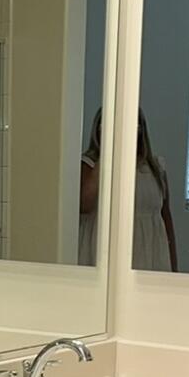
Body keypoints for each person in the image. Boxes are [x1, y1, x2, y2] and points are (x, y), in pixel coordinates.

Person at [133, 107, 178, 272]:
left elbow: (166, 215)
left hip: (153, 249)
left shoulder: (156, 168)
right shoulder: (95, 167)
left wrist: (174, 264)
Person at [78, 108, 102, 264]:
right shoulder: (88, 164)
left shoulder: (154, 167)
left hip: (150, 243)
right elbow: (84, 205)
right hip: (96, 242)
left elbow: (165, 215)